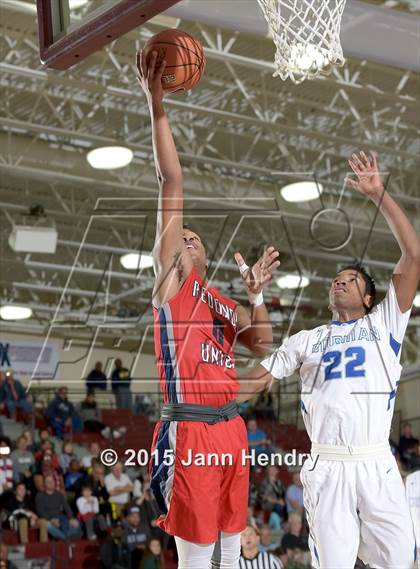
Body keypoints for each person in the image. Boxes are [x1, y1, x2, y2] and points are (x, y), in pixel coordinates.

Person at [238, 151, 420, 568]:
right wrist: (208, 393)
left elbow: (413, 255)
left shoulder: (385, 323)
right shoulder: (308, 339)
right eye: (336, 279)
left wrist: (379, 196)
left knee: (399, 562)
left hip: (376, 461)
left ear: (369, 298)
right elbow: (259, 377)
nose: (339, 281)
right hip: (328, 465)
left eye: (351, 279)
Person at [137, 49, 279, 569]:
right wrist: (157, 107)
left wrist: (257, 297)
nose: (186, 237)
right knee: (197, 559)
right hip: (189, 429)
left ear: (207, 254)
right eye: (181, 235)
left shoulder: (218, 300)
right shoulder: (173, 283)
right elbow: (170, 182)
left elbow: (261, 342)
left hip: (231, 429)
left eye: (194, 237)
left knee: (228, 552)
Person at [35, 474, 81, 540]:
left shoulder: (59, 494)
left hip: (60, 517)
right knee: (48, 525)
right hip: (47, 518)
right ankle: (65, 538)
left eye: (52, 481)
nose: (51, 483)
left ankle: (65, 537)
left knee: (76, 523)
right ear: (44, 484)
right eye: (48, 482)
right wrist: (51, 520)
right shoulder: (40, 496)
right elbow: (40, 512)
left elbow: (67, 507)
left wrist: (71, 518)